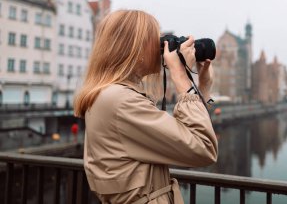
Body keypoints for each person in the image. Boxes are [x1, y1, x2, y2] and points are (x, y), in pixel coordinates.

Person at [74, 10, 218, 204]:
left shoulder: (114, 94)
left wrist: (203, 89)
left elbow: (189, 134)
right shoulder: (120, 100)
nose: (162, 47)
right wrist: (181, 76)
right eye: (155, 40)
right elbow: (203, 148)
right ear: (133, 48)